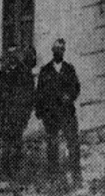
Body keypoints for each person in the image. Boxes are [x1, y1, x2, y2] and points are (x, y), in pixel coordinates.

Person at [35, 39, 82, 187]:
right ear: (52, 51)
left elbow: (76, 87)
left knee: (73, 145)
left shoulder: (69, 69)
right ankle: (53, 178)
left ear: (64, 51)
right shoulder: (45, 70)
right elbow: (39, 93)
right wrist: (41, 112)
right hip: (51, 115)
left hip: (67, 113)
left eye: (62, 49)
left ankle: (76, 177)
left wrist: (70, 95)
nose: (59, 52)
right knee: (52, 146)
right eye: (56, 49)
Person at [0, 47, 35, 177]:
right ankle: (6, 171)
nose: (12, 57)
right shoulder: (3, 73)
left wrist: (26, 115)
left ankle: (18, 170)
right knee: (6, 143)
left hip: (19, 114)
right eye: (10, 55)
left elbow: (30, 96)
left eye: (15, 55)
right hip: (6, 115)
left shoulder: (24, 73)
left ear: (18, 56)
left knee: (17, 141)